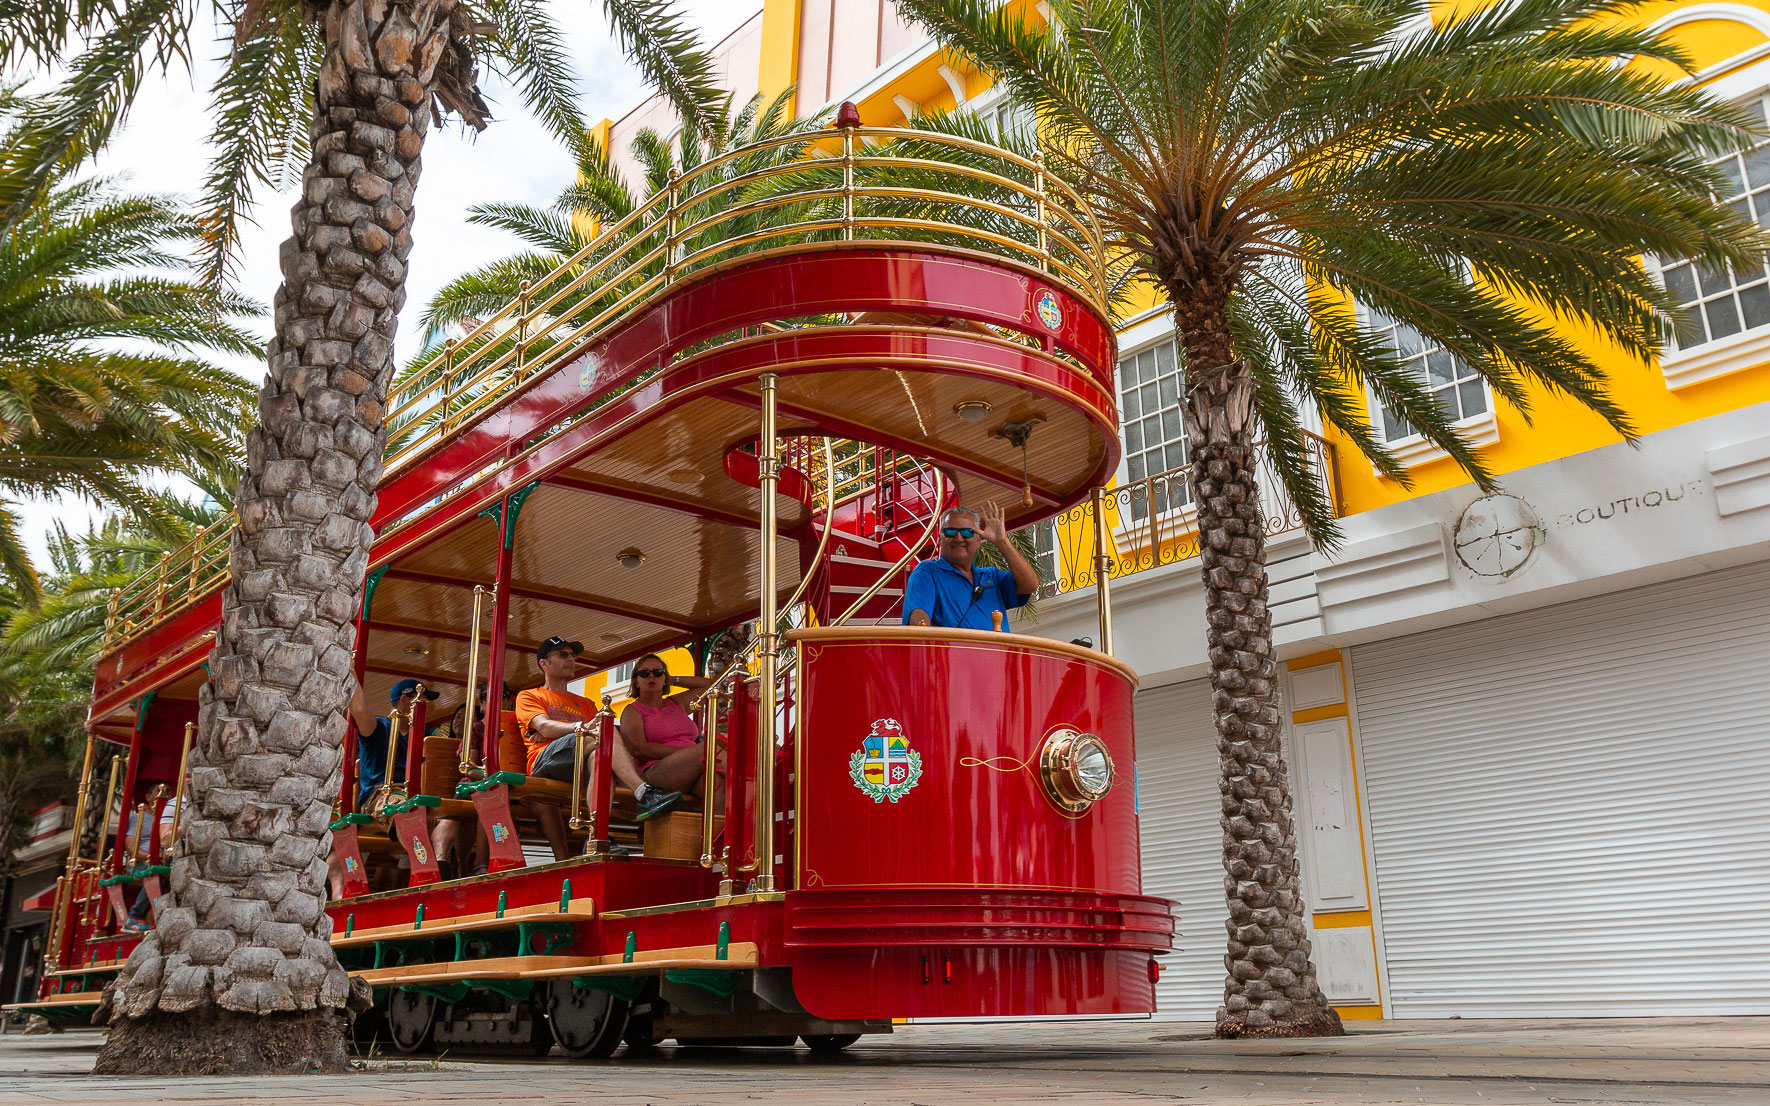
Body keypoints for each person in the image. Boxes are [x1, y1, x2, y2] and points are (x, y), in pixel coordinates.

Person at [517, 636, 681, 860]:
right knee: (602, 732)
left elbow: (596, 735)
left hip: (578, 759)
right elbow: (544, 727)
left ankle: (597, 835)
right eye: (563, 655)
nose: (571, 660)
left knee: (600, 756)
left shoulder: (586, 703)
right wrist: (580, 727)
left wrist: (579, 729)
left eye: (573, 656)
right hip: (544, 762)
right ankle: (643, 791)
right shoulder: (530, 695)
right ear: (544, 664)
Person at [902, 502, 1039, 631]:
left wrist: (1001, 541)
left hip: (997, 655)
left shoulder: (991, 577)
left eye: (967, 532)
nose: (959, 538)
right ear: (940, 539)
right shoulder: (928, 572)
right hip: (952, 656)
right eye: (950, 532)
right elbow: (919, 621)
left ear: (978, 539)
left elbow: (1030, 585)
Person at [619, 654, 717, 802]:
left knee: (719, 789)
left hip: (691, 767)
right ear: (636, 682)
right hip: (655, 772)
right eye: (644, 673)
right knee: (711, 748)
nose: (651, 676)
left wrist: (673, 679)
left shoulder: (677, 702)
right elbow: (639, 750)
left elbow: (711, 685)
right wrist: (688, 753)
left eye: (658, 672)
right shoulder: (632, 711)